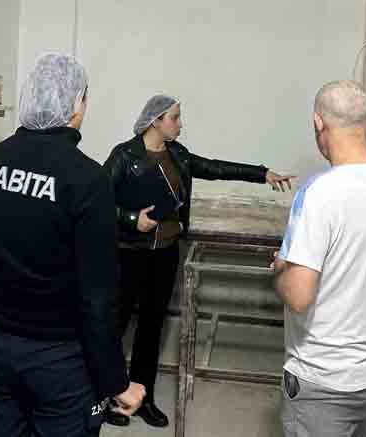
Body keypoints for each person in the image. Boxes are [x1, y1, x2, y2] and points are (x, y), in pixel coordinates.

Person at [0, 53, 145, 437]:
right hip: (60, 361)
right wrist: (116, 380)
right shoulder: (87, 180)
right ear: (76, 104)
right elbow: (98, 297)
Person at [102, 94, 295, 428]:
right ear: (155, 121)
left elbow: (215, 168)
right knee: (115, 326)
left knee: (151, 327)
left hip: (165, 253)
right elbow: (99, 201)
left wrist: (263, 174)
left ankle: (143, 397)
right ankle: (107, 397)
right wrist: (132, 219)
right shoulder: (124, 155)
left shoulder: (177, 154)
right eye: (174, 118)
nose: (180, 124)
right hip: (130, 253)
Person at [272, 80, 366, 437]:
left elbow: (299, 296)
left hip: (325, 379)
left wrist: (281, 269)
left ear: (318, 123)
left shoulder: (319, 192)